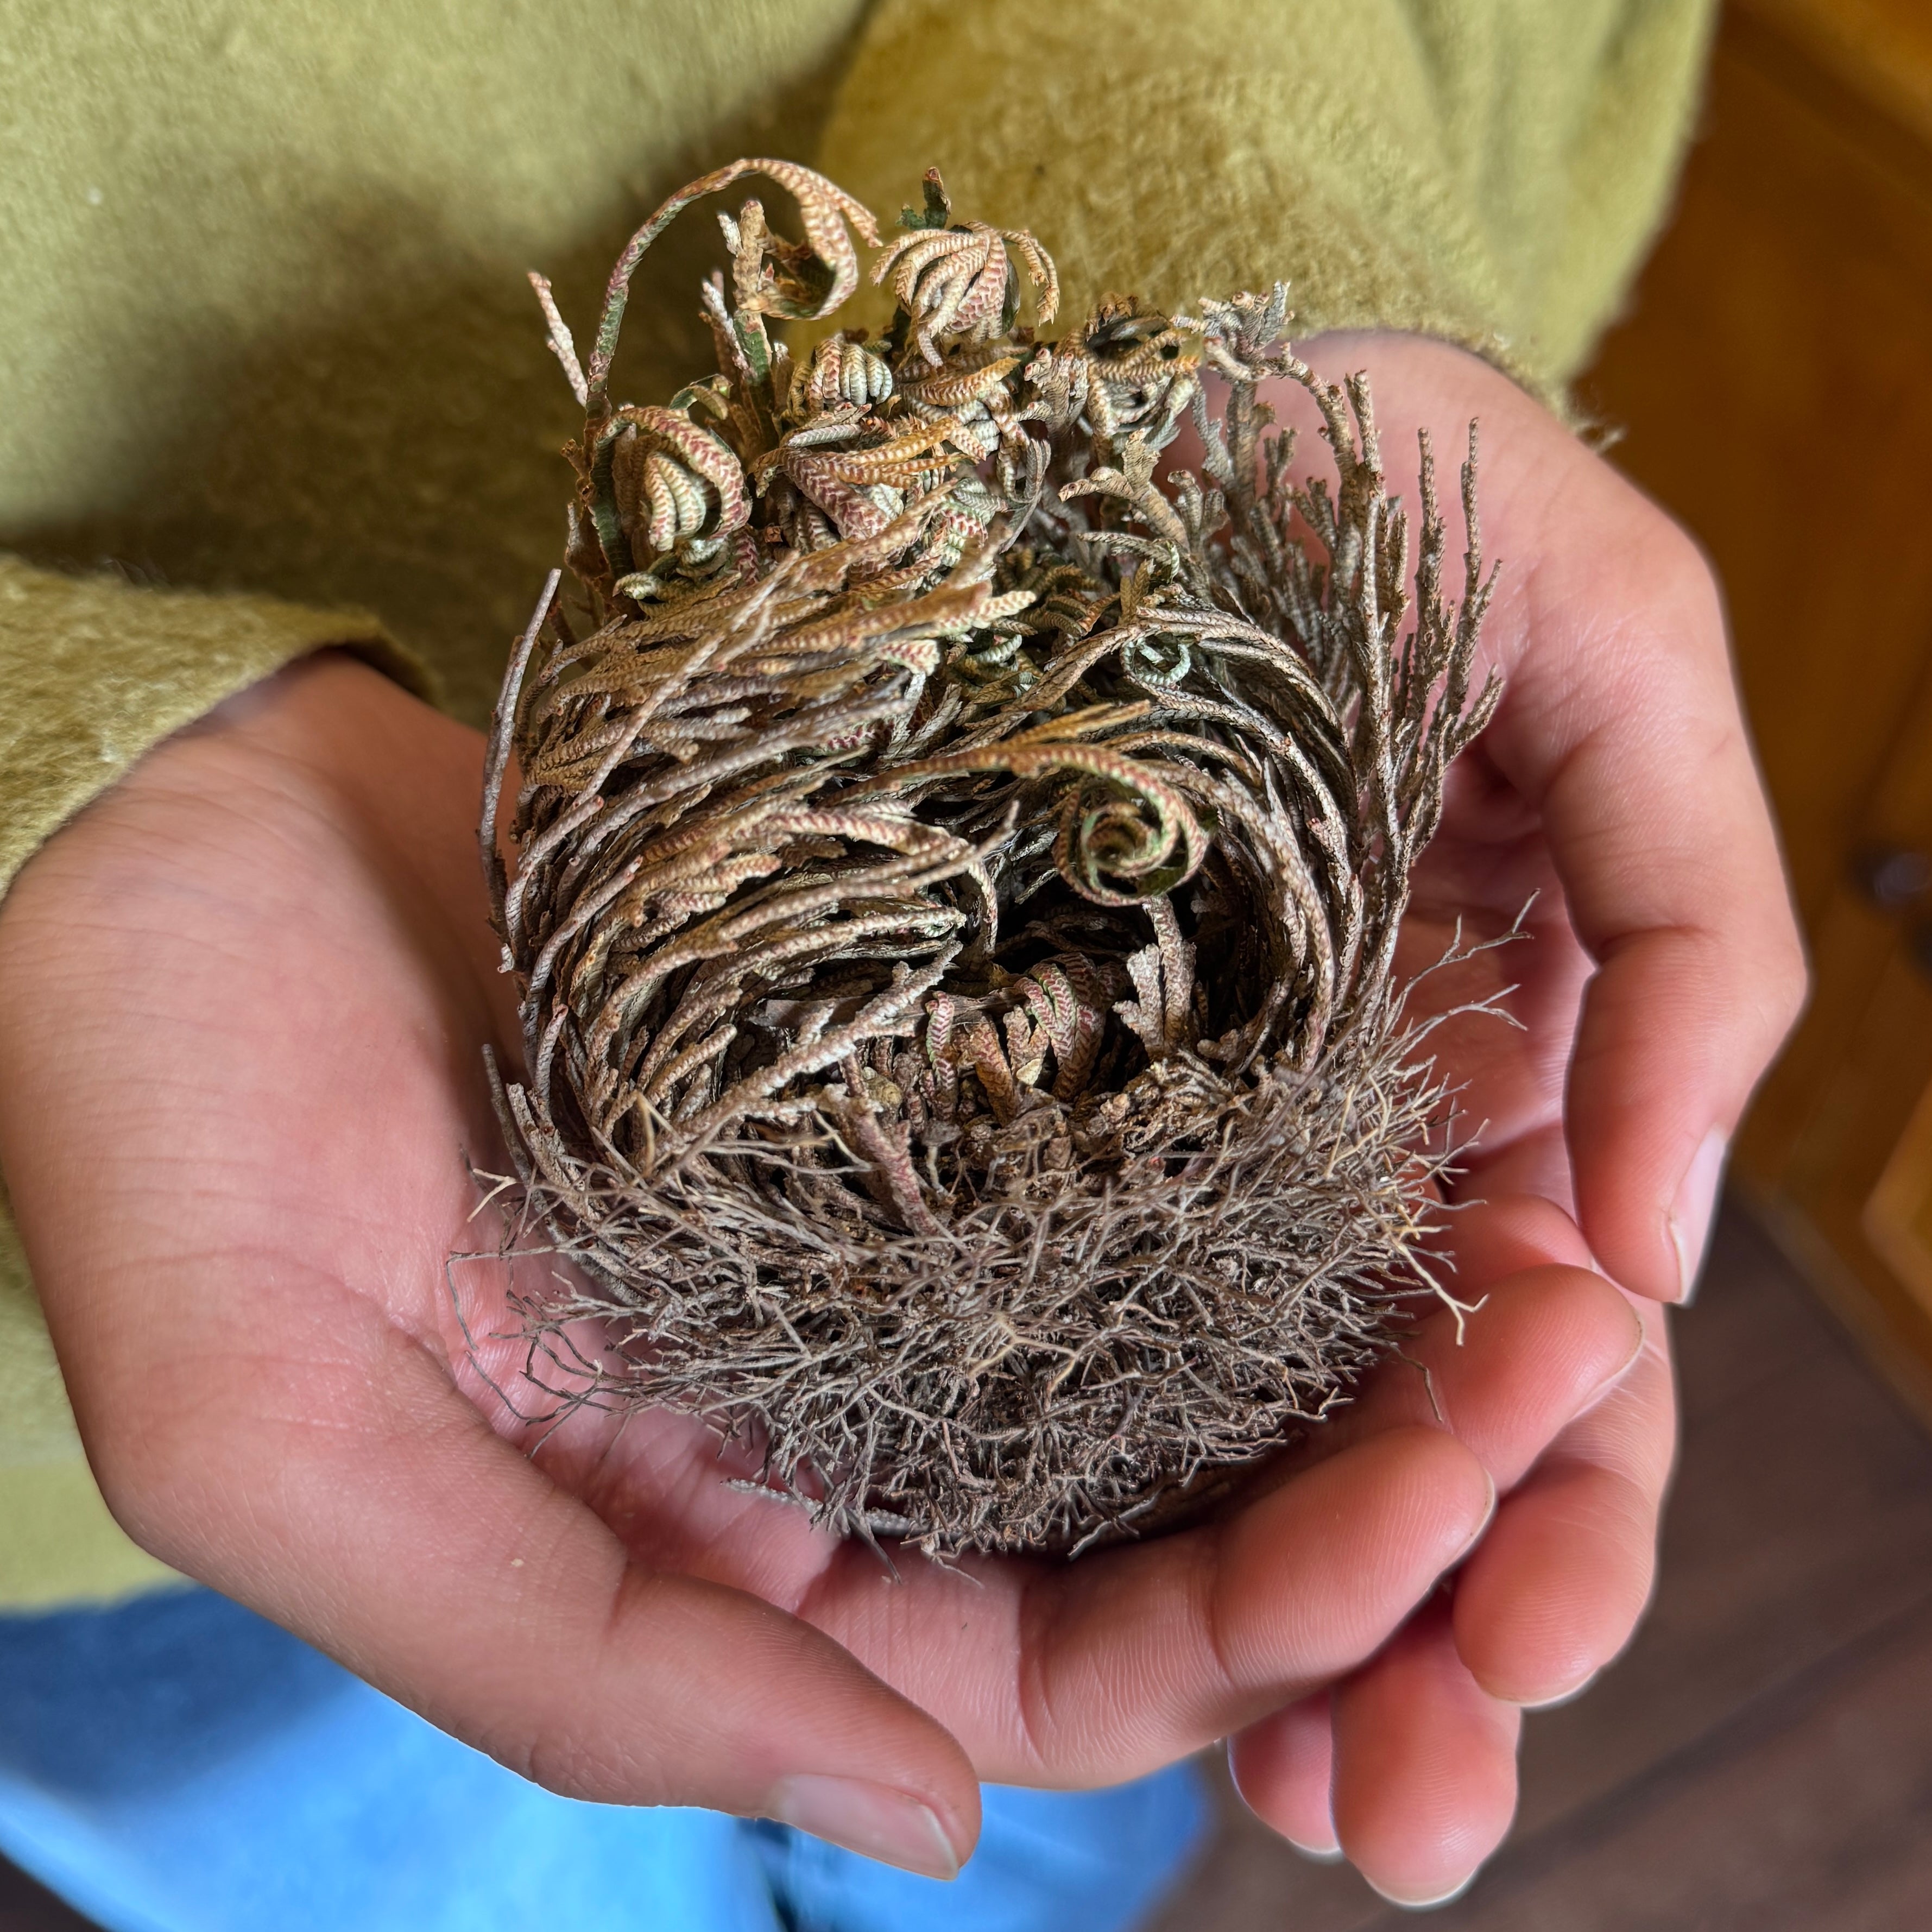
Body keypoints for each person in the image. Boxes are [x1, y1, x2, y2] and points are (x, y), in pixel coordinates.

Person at [0, 1, 1803, 1923]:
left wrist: (1210, 295)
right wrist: (67, 772)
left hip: (1040, 538)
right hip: (94, 1489)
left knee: (1043, 1824)